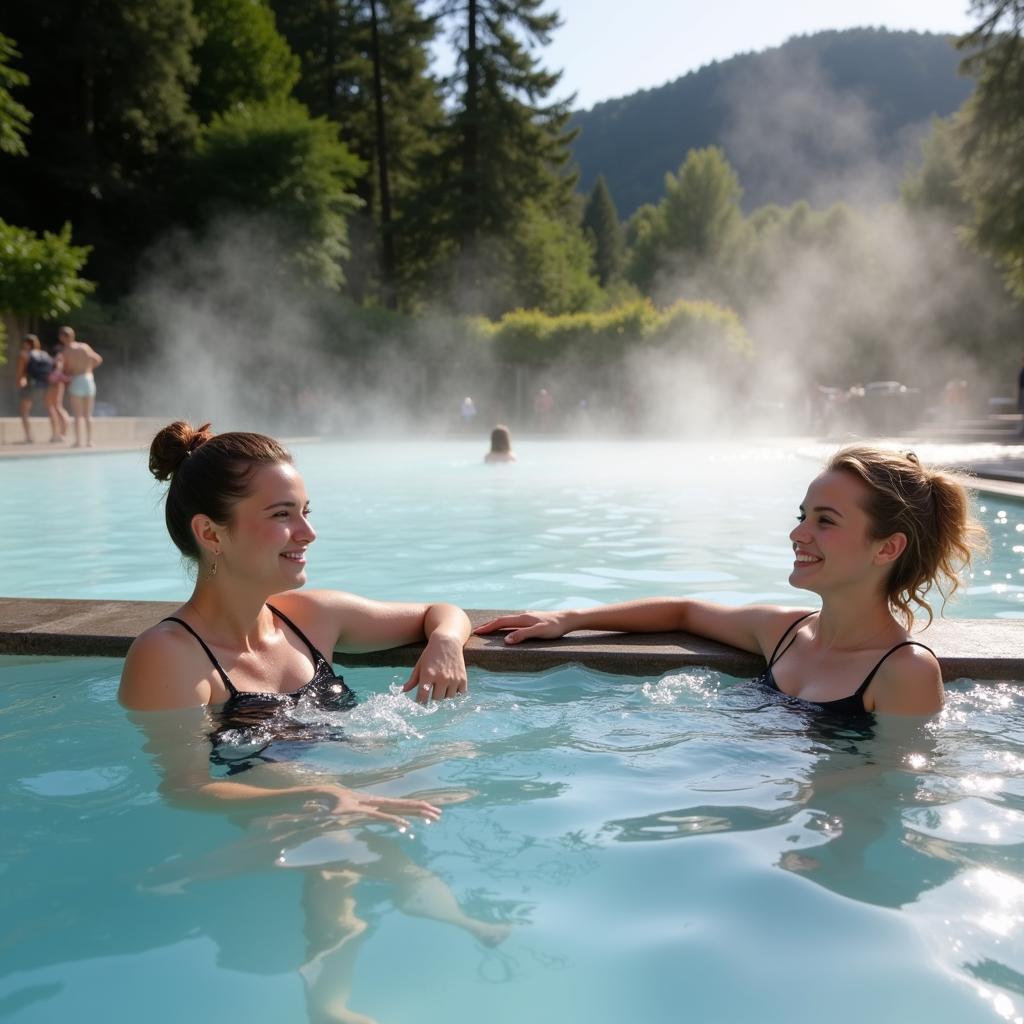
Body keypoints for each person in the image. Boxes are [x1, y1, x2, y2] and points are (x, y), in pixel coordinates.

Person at [119, 422, 503, 1022]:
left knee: (451, 772)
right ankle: (330, 1002)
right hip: (276, 811)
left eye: (305, 511)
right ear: (210, 533)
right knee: (334, 844)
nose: (308, 533)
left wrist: (447, 644)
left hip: (347, 784)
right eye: (282, 515)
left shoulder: (309, 617)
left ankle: (441, 909)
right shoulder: (170, 655)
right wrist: (327, 795)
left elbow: (442, 611)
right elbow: (186, 787)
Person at [476, 445, 987, 718]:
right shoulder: (786, 631)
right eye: (802, 515)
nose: (797, 533)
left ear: (888, 547)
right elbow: (684, 612)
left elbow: (892, 800)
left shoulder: (904, 673)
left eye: (825, 521)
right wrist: (568, 619)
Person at [59, 325, 103, 447]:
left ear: (62, 337)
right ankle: (89, 441)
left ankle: (78, 441)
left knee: (78, 415)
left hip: (77, 379)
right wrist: (89, 368)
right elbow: (98, 359)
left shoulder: (66, 352)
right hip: (88, 378)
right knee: (88, 414)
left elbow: (66, 370)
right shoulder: (84, 347)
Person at [14, 335, 53, 443]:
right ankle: (56, 434)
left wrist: (19, 384)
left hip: (31, 385)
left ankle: (29, 437)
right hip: (46, 385)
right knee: (51, 409)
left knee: (24, 412)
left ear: (26, 343)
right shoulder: (45, 355)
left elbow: (20, 374)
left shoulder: (24, 355)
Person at [44, 338, 72, 443]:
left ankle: (59, 434)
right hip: (58, 382)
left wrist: (53, 379)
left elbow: (58, 369)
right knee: (55, 406)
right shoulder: (63, 355)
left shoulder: (59, 356)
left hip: (55, 383)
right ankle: (60, 433)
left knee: (54, 406)